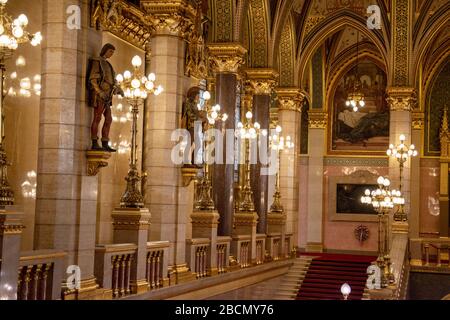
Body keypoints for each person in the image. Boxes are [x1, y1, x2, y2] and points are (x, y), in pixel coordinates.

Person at [88, 43, 124, 152]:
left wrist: (119, 89)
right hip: (100, 94)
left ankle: (105, 142)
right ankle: (94, 142)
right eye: (110, 51)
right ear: (105, 50)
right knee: (97, 117)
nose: (111, 54)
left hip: (108, 94)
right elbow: (93, 79)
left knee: (108, 119)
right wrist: (99, 92)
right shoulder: (97, 61)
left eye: (112, 52)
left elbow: (112, 81)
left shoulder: (108, 64)